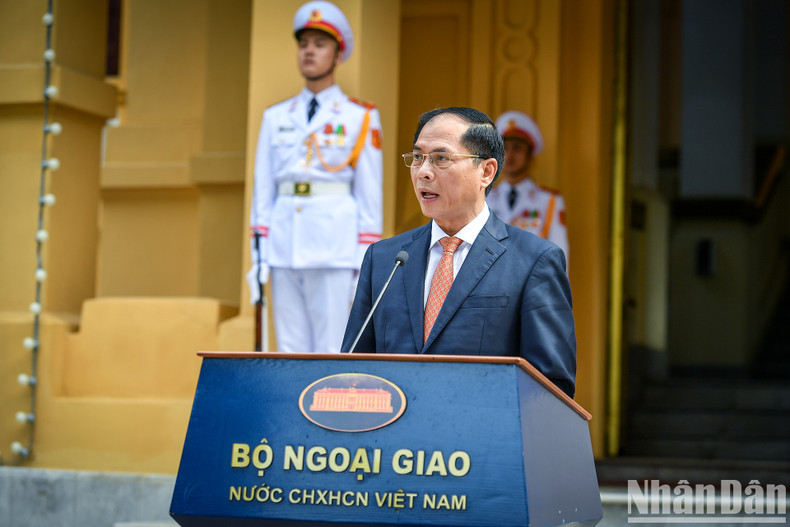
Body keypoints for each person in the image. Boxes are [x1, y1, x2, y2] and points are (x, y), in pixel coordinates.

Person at [341, 107, 576, 398]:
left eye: (441, 158)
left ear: (486, 172)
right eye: (417, 158)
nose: (423, 172)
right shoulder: (384, 259)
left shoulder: (534, 262)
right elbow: (352, 369)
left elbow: (550, 389)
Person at [248, 1, 383, 353]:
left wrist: (362, 261)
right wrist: (258, 253)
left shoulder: (359, 117)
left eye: (319, 44)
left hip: (334, 247)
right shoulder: (276, 116)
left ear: (338, 55)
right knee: (288, 348)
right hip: (283, 245)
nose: (309, 51)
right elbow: (264, 188)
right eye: (304, 43)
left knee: (331, 346)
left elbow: (369, 195)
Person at [486, 111, 569, 265]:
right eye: (505, 148)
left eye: (517, 148)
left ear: (530, 156)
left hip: (532, 285)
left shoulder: (549, 200)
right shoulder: (485, 198)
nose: (509, 155)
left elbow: (559, 252)